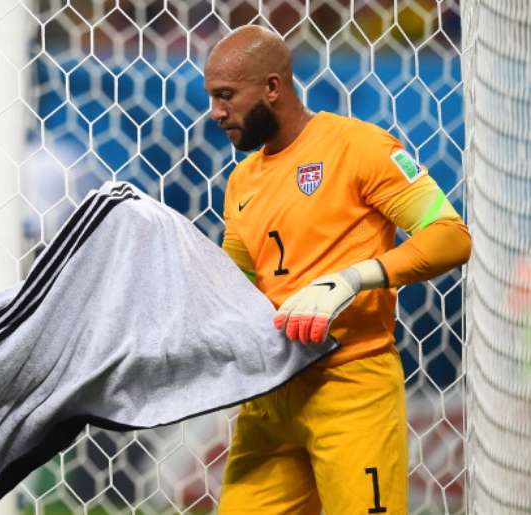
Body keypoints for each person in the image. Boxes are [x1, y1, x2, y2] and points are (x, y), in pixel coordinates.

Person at [203, 26, 471, 514]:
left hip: (351, 385)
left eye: (225, 96)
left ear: (271, 88)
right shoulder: (242, 180)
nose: (215, 112)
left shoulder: (361, 148)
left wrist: (351, 279)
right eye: (211, 98)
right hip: (270, 394)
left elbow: (451, 235)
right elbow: (237, 282)